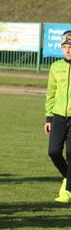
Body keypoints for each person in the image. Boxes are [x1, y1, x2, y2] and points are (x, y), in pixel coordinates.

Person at [44, 31, 71, 203]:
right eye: (65, 46)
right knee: (53, 152)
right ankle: (68, 178)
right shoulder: (56, 67)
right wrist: (48, 118)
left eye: (70, 47)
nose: (67, 50)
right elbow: (51, 93)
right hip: (59, 116)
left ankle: (67, 192)